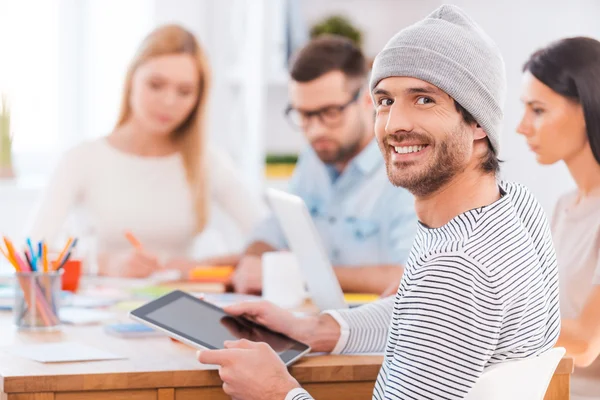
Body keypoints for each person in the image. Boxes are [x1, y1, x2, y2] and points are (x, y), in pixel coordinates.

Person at [197, 5, 560, 400]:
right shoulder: (517, 207)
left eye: (423, 100)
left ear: (478, 122)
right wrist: (318, 329)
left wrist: (277, 391)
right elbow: (426, 317)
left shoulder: (454, 268)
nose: (394, 124)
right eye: (385, 101)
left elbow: (442, 298)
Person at [26, 24, 266, 278]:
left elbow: (271, 239)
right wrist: (104, 264)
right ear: (132, 81)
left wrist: (202, 266)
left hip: (178, 306)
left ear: (198, 99)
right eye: (155, 85)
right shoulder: (82, 158)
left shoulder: (208, 161)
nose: (169, 102)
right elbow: (32, 252)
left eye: (184, 91)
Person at [230, 35, 417, 295]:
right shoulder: (314, 158)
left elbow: (409, 275)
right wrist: (254, 258)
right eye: (304, 115)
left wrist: (300, 273)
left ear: (368, 100)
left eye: (330, 113)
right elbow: (275, 229)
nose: (316, 131)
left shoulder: (406, 168)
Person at [517, 36, 600, 400]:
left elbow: (584, 341)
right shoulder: (563, 207)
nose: (523, 127)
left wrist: (478, 322)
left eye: (538, 110)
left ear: (586, 109)